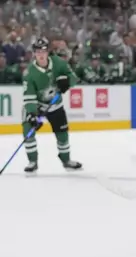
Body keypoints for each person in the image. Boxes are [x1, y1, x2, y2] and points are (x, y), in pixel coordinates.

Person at [22, 37, 82, 174]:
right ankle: (32, 161)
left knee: (62, 134)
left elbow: (73, 77)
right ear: (34, 53)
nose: (41, 55)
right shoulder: (29, 73)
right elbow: (29, 97)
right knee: (28, 132)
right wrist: (32, 114)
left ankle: (66, 160)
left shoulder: (59, 63)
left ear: (48, 51)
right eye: (37, 52)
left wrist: (66, 83)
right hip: (37, 107)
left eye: (43, 51)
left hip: (55, 105)